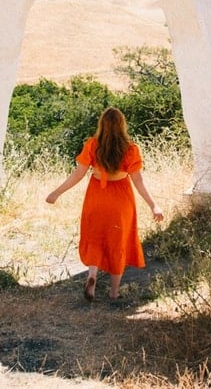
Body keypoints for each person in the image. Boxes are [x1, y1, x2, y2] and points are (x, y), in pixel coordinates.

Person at [45, 107, 164, 302]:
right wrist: (153, 205)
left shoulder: (92, 145)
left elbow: (78, 174)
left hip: (96, 196)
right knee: (118, 241)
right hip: (121, 199)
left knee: (95, 236)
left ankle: (92, 275)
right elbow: (138, 181)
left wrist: (56, 193)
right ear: (122, 125)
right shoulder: (130, 149)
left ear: (101, 124)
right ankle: (114, 292)